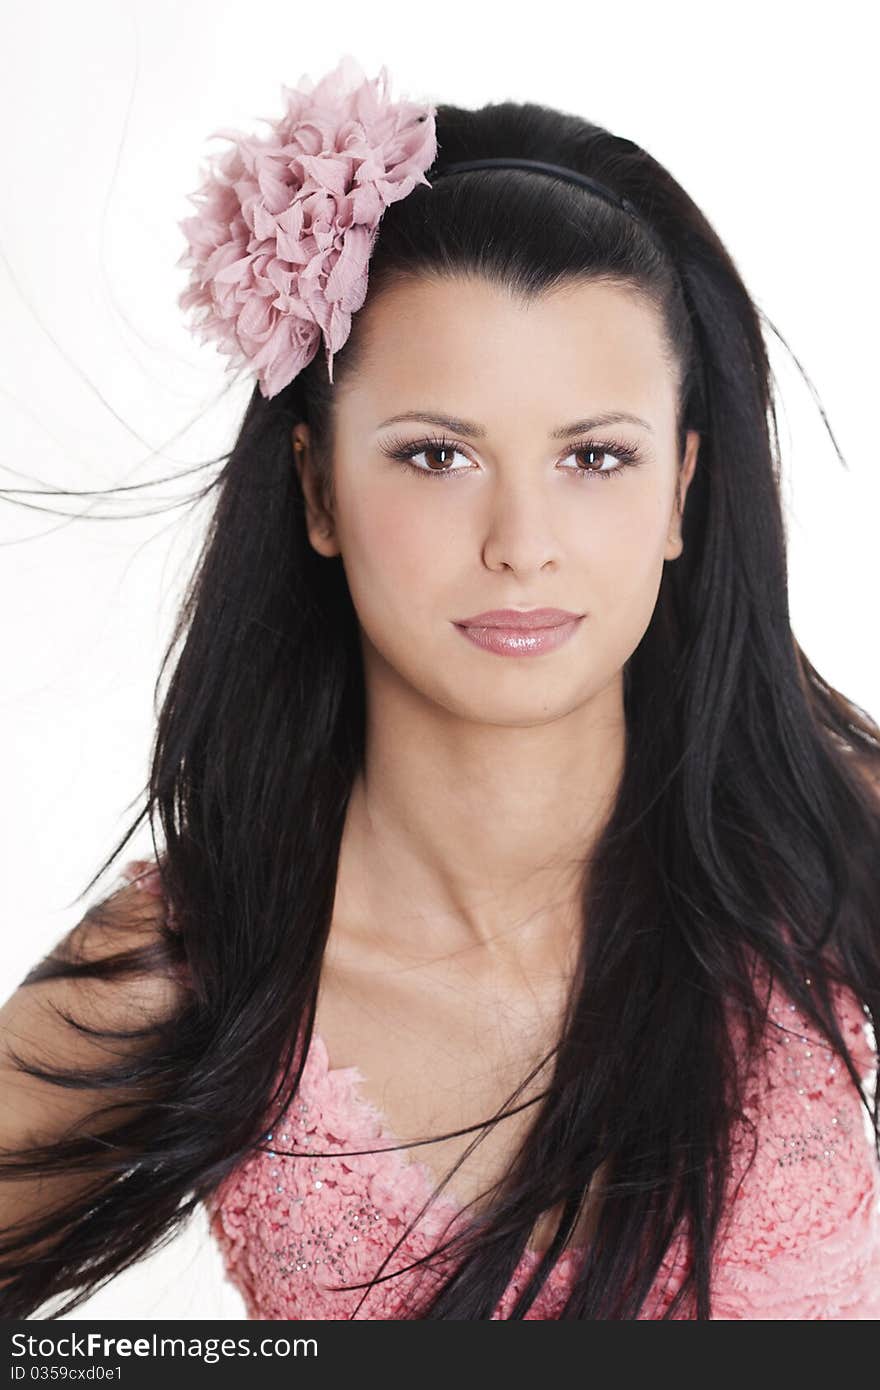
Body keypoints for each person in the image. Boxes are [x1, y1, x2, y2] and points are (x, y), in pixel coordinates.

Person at [1, 53, 879, 1321]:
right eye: (434, 453)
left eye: (593, 455)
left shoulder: (827, 840)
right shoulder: (195, 970)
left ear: (680, 491)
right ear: (315, 488)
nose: (521, 540)